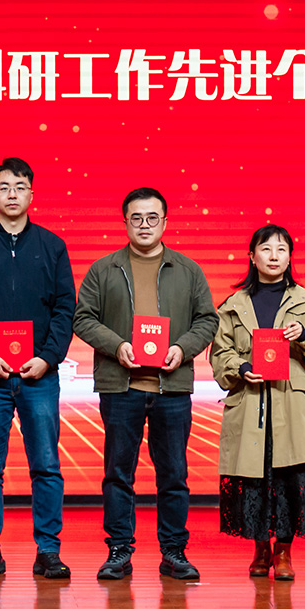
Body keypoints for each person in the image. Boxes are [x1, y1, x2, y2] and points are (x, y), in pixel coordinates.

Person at [73, 188, 216, 581]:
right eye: (136, 218)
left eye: (153, 217)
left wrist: (182, 348)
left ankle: (174, 552)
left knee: (174, 475)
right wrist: (116, 345)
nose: (145, 225)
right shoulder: (104, 269)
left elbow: (207, 320)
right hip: (121, 388)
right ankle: (119, 550)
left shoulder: (188, 270)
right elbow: (83, 318)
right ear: (125, 222)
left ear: (165, 222)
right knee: (118, 473)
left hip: (172, 387)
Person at [0, 157, 78, 579]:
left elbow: (65, 307)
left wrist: (48, 357)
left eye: (20, 187)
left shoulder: (52, 246)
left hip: (40, 375)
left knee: (46, 465)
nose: (12, 194)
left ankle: (49, 551)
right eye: (4, 187)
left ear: (31, 195)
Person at [210, 225, 305, 581]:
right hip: (250, 401)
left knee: (288, 479)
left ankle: (283, 551)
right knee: (255, 478)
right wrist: (241, 368)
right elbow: (220, 354)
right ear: (252, 256)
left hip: (290, 403)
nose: (274, 256)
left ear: (290, 257)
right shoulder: (233, 305)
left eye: (282, 249)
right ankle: (261, 550)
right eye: (266, 249)